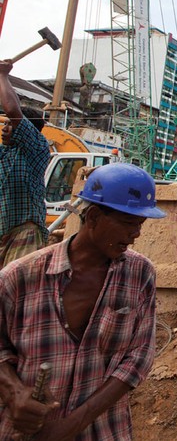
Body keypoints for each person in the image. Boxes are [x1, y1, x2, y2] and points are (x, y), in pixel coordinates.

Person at [0, 163, 166, 440]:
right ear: (93, 217)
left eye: (140, 225)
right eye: (128, 223)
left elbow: (138, 359)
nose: (136, 235)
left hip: (103, 431)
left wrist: (73, 424)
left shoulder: (139, 275)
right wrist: (14, 392)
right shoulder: (19, 278)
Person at [0, 59, 51, 268]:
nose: (4, 128)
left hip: (24, 233)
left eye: (9, 125)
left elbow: (13, 110)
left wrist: (3, 75)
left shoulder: (36, 149)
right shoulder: (5, 153)